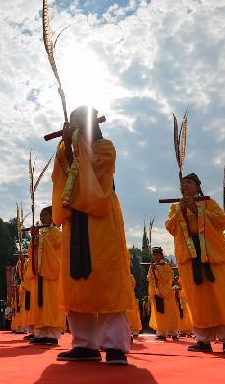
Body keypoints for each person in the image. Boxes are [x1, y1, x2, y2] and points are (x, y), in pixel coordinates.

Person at [51, 106, 133, 366]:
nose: (74, 128)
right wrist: (65, 148)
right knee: (77, 283)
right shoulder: (71, 150)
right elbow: (61, 178)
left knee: (107, 279)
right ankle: (84, 344)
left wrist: (76, 146)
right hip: (75, 219)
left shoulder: (105, 147)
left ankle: (115, 346)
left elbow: (94, 171)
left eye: (78, 124)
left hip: (102, 216)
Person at [166, 173, 225, 354]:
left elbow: (221, 221)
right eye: (182, 184)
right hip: (190, 258)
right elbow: (170, 227)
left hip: (212, 257)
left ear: (198, 187)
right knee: (197, 299)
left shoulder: (208, 202)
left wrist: (198, 210)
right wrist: (181, 211)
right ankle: (203, 340)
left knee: (220, 297)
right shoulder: (175, 206)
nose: (184, 187)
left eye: (188, 183)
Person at [28, 207, 65, 345]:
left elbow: (53, 248)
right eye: (40, 216)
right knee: (39, 303)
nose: (42, 218)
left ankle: (52, 334)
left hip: (51, 273)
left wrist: (38, 238)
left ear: (52, 216)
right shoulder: (42, 232)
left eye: (45, 215)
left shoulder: (57, 232)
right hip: (39, 272)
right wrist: (34, 238)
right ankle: (40, 333)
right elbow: (33, 250)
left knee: (50, 302)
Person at [147, 247, 178, 341]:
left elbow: (169, 278)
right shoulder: (152, 266)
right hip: (156, 292)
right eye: (154, 255)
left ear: (161, 255)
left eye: (157, 255)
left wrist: (158, 271)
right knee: (159, 313)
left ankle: (172, 331)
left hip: (166, 293)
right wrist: (152, 272)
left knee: (169, 312)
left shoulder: (166, 265)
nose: (156, 256)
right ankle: (161, 332)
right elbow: (149, 278)